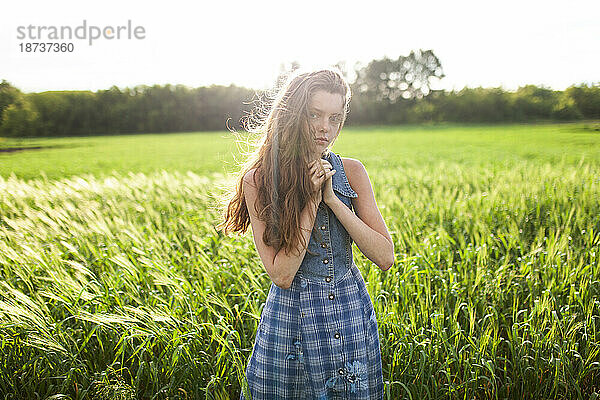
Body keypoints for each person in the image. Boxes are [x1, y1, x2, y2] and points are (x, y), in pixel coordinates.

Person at [217, 67, 394, 399]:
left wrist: (334, 200)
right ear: (293, 113)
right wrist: (311, 200)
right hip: (292, 321)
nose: (324, 128)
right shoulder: (258, 180)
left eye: (334, 117)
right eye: (314, 114)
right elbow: (282, 274)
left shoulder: (352, 172)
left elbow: (385, 257)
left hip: (348, 313)